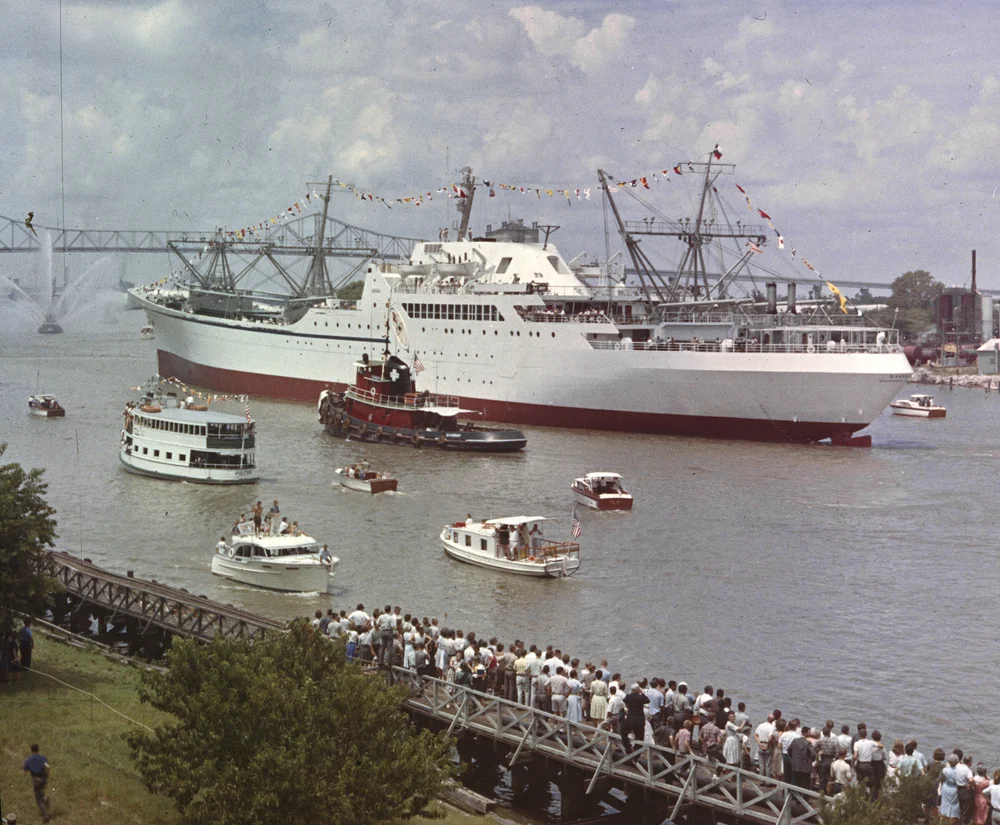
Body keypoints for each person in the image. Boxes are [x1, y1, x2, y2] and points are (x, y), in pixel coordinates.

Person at [23, 743, 51, 823]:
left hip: (36, 780)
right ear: (38, 749)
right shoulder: (43, 758)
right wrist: (47, 774)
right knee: (40, 791)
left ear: (31, 750)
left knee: (39, 800)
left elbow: (25, 773)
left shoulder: (28, 760)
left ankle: (46, 816)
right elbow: (47, 766)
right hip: (44, 779)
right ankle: (45, 798)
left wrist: (25, 765)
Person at [621, 683, 649, 755]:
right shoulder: (641, 697)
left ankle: (628, 748)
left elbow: (625, 702)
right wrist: (641, 693)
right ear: (638, 689)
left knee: (623, 733)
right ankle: (636, 754)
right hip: (640, 720)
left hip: (630, 719)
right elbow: (647, 700)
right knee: (639, 738)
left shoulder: (628, 696)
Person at [941, 753, 962, 822]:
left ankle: (944, 820)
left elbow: (940, 778)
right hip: (955, 788)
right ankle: (953, 820)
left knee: (945, 804)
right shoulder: (959, 770)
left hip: (946, 787)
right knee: (954, 805)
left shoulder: (945, 770)